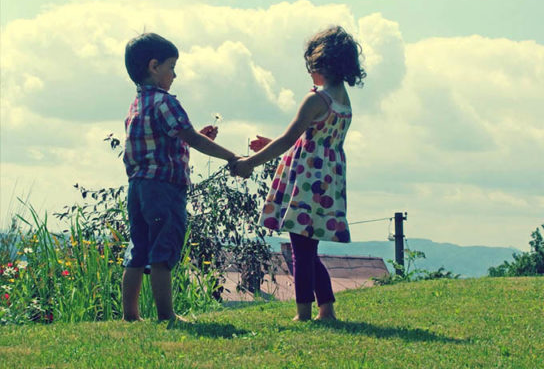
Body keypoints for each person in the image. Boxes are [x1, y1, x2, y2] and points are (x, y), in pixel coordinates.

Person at [233, 26, 366, 321]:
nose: (309, 74)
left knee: (300, 250)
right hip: (326, 180)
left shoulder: (316, 99)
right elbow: (312, 139)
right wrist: (270, 145)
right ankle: (326, 309)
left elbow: (289, 139)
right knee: (308, 248)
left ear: (321, 63)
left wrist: (250, 161)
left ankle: (303, 313)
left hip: (305, 182)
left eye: (311, 67)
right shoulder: (342, 98)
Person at [121, 33, 241, 322]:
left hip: (138, 187)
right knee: (163, 245)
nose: (175, 74)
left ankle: (130, 315)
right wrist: (231, 156)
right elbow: (190, 137)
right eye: (171, 67)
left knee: (138, 247)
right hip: (164, 189)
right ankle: (166, 315)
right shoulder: (166, 102)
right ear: (154, 66)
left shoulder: (137, 104)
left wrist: (192, 136)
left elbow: (167, 140)